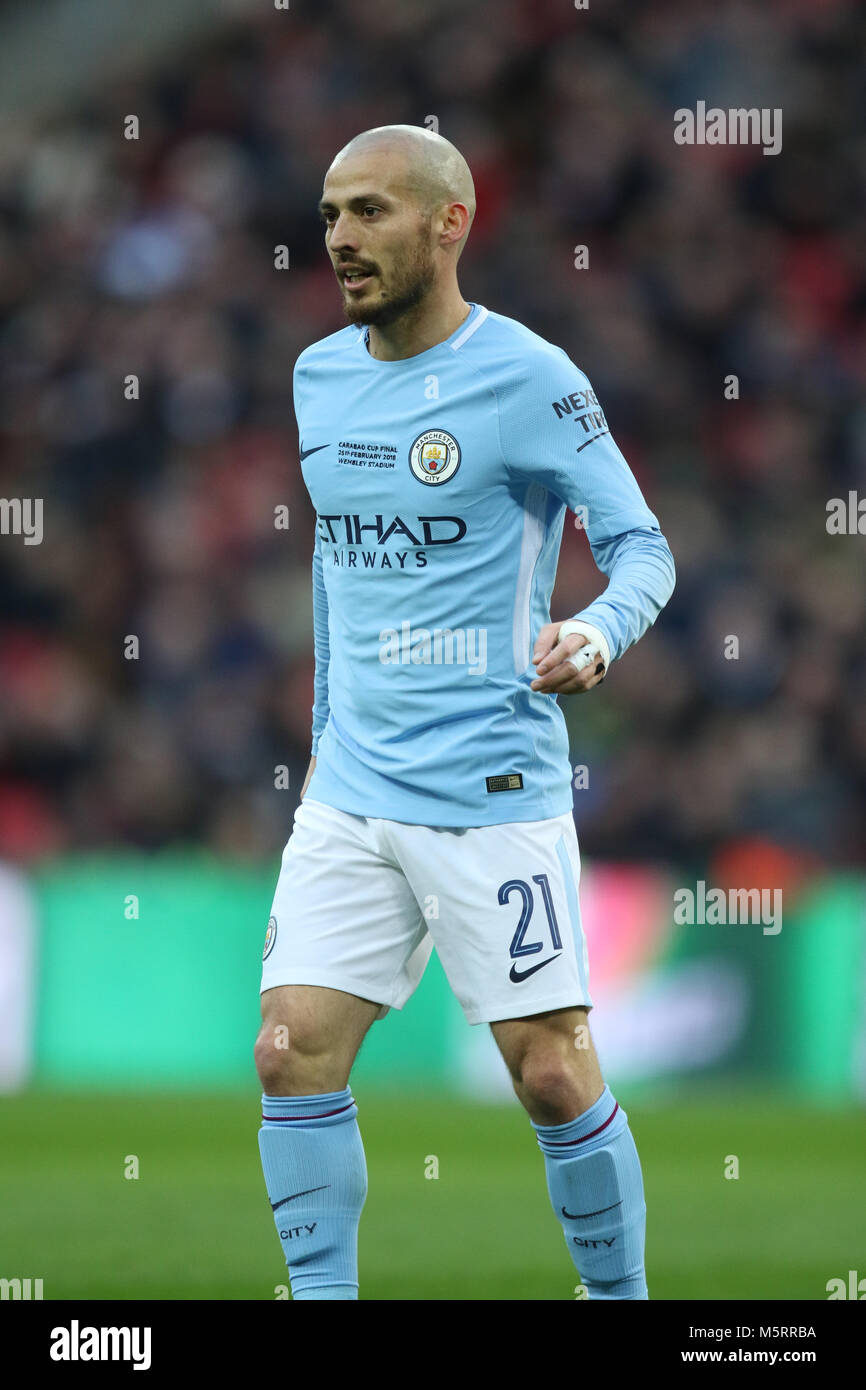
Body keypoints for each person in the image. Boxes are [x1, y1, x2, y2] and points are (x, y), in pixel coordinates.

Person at [254, 124, 675, 1300]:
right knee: (291, 1052)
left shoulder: (530, 378)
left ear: (450, 223)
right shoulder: (317, 375)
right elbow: (339, 579)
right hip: (349, 787)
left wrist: (595, 631)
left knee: (548, 1073)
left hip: (489, 788)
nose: (340, 237)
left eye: (371, 212)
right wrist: (327, 737)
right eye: (331, 212)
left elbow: (642, 547)